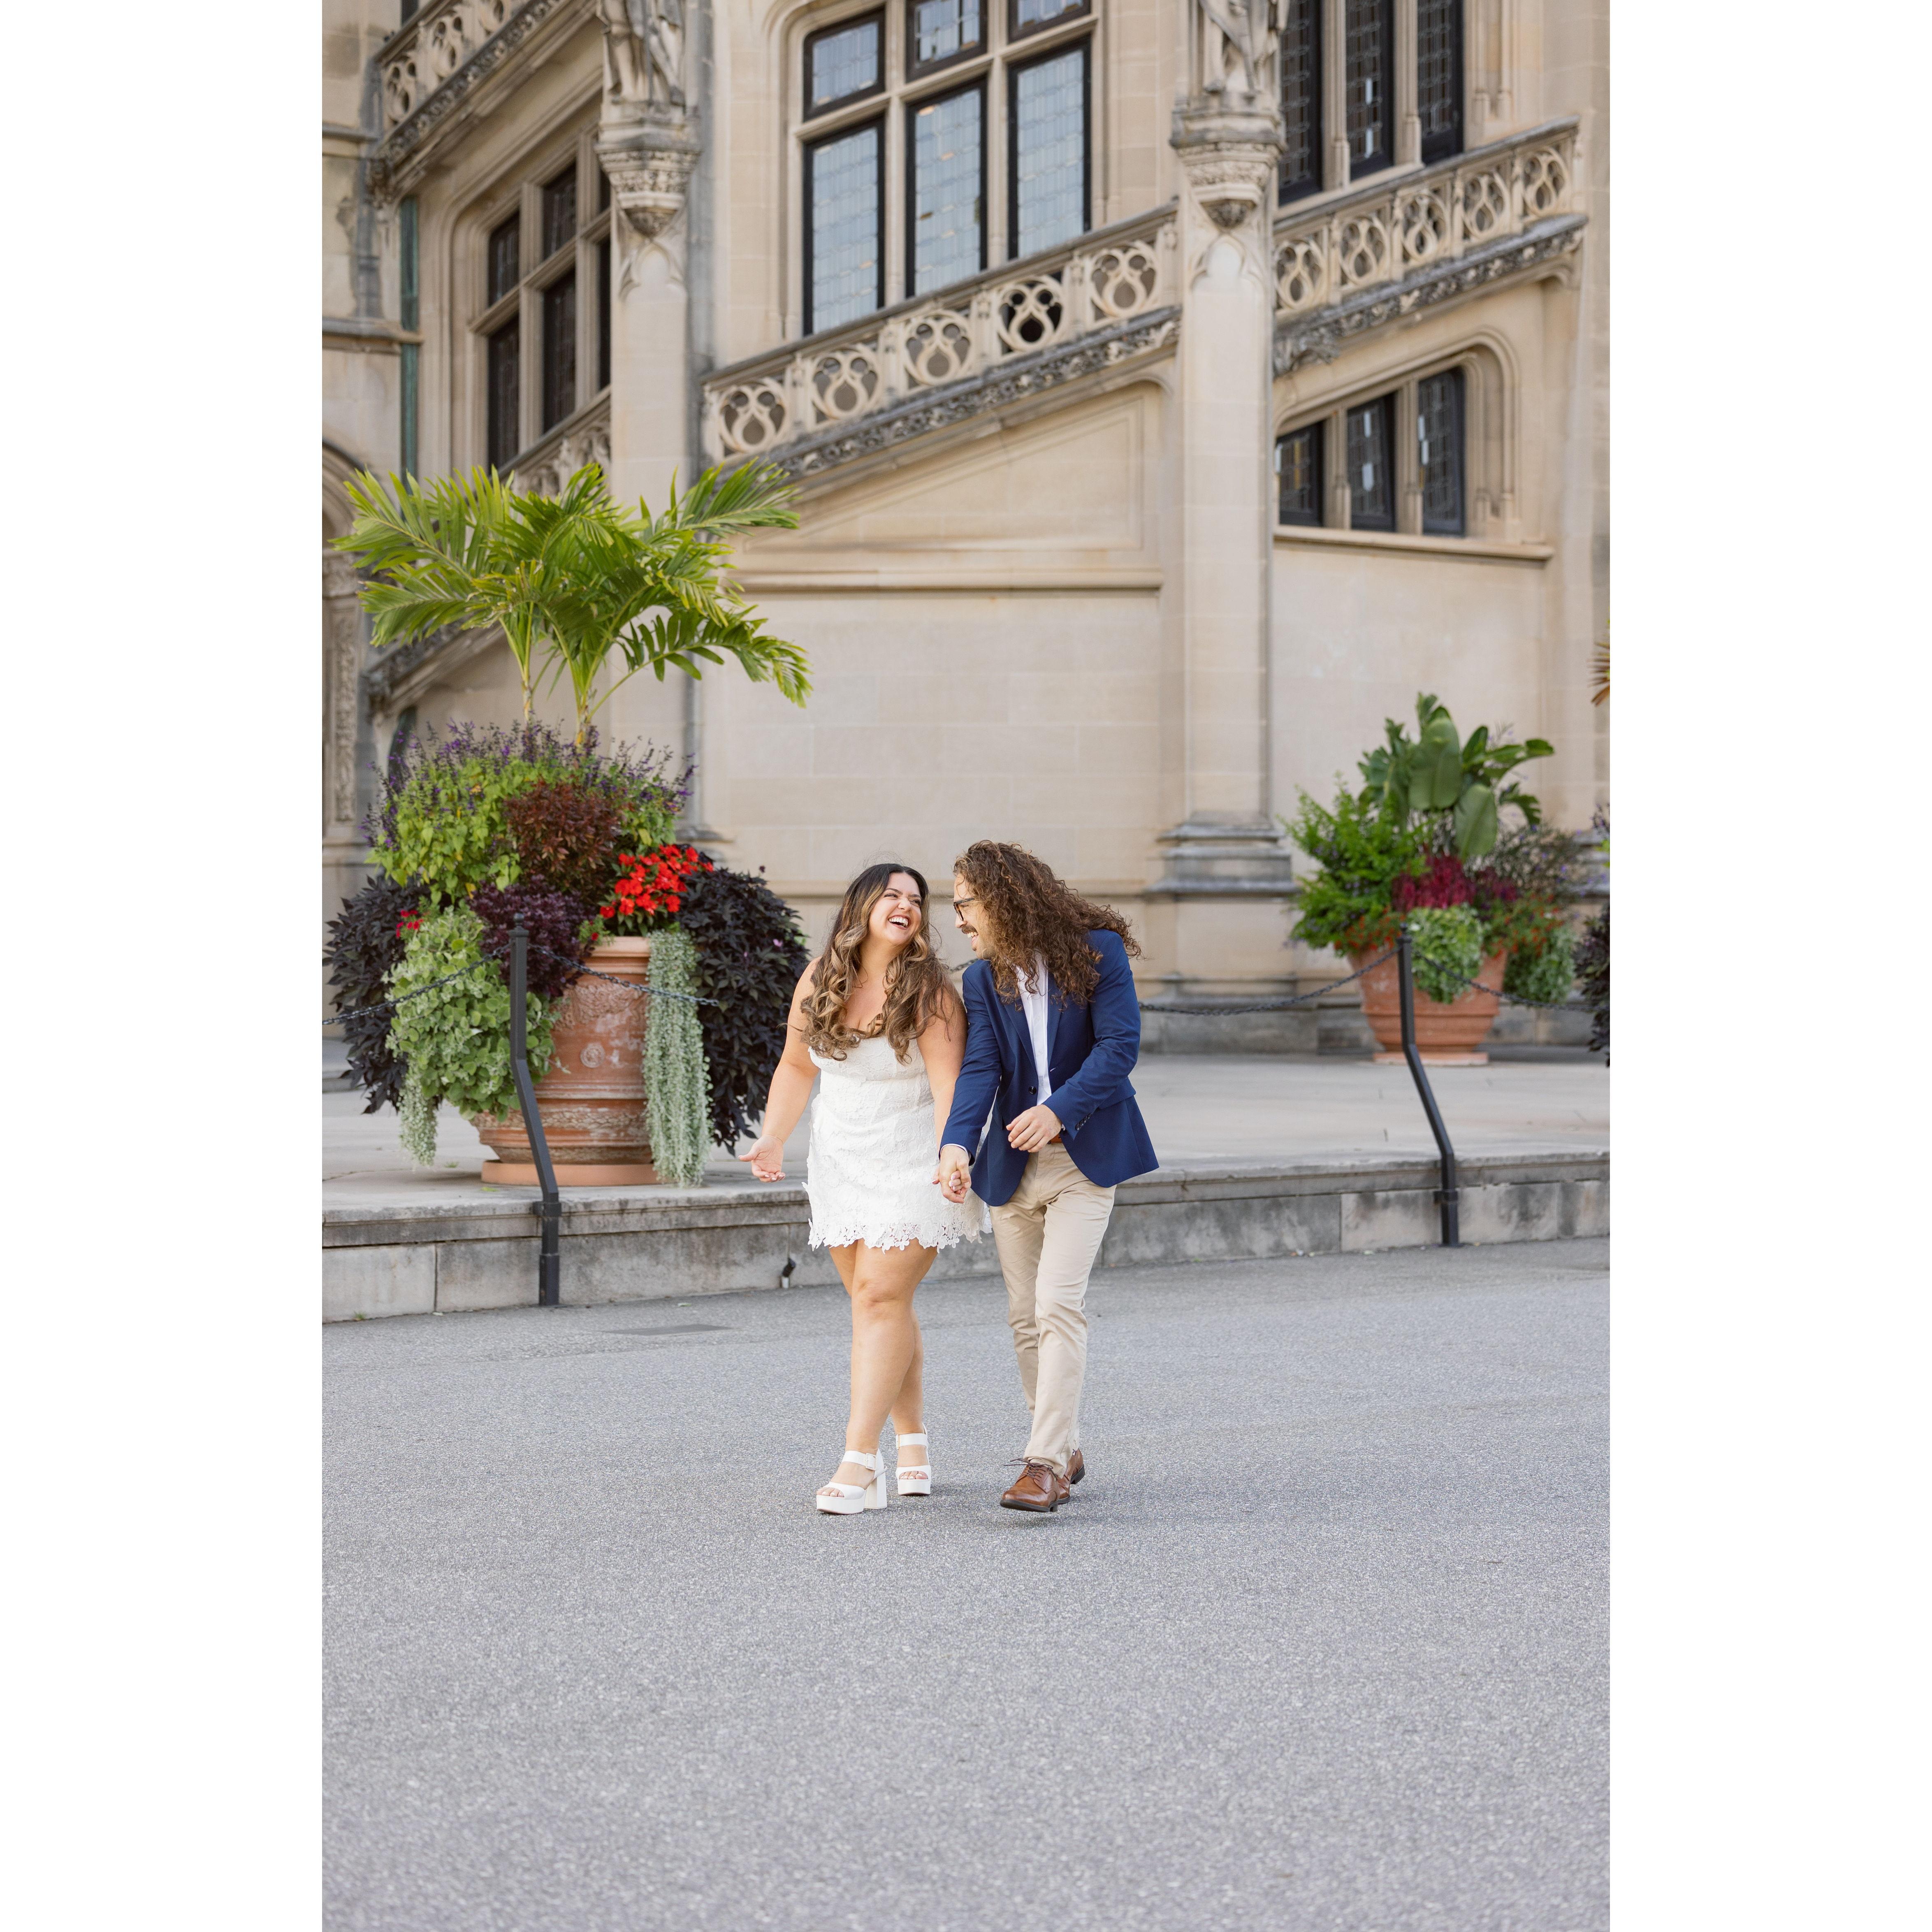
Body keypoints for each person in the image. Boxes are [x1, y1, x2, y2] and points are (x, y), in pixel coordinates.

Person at [742, 863, 987, 1515]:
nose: (906, 905)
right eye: (892, 895)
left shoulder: (930, 991)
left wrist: (953, 1153)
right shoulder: (820, 977)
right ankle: (912, 1438)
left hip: (915, 1160)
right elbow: (796, 1066)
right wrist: (773, 1137)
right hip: (842, 1160)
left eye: (916, 899)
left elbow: (949, 1085)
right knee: (879, 1304)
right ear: (861, 906)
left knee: (879, 1297)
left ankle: (859, 1460)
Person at [936, 842, 1159, 1513]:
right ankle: (1061, 1442)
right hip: (1012, 1163)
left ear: (1003, 900)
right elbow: (981, 1067)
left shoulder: (1097, 953)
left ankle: (1043, 1465)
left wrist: (1057, 1111)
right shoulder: (982, 979)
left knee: (1057, 1303)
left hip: (1084, 1156)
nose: (958, 920)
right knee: (1023, 1316)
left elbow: (1118, 1048)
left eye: (965, 904)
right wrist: (956, 1144)